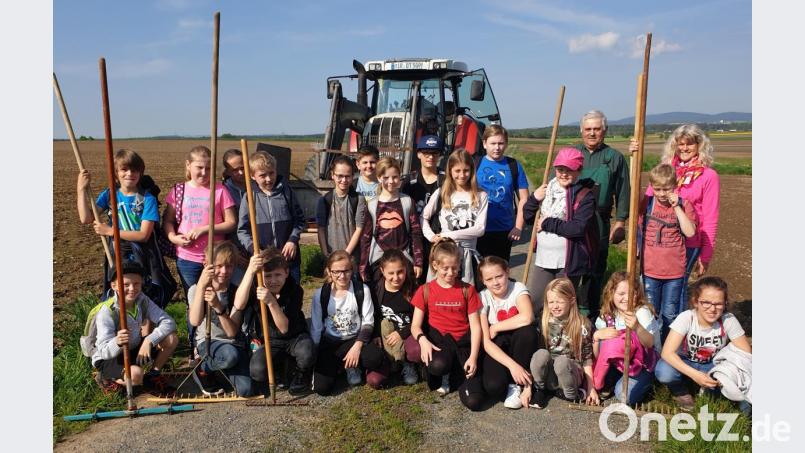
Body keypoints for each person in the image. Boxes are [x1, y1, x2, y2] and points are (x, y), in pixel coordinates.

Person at [631, 124, 721, 311]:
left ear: (699, 146)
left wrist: (706, 255)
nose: (684, 148)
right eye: (680, 144)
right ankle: (652, 336)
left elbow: (711, 218)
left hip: (689, 241)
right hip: (658, 242)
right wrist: (634, 157)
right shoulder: (665, 171)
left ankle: (673, 336)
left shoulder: (708, 176)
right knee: (651, 295)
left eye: (689, 144)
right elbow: (646, 202)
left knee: (675, 295)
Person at [77, 148, 175, 309]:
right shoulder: (110, 195)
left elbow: (144, 235)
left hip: (144, 254)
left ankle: (147, 329)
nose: (130, 173)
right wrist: (81, 189)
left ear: (140, 173)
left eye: (134, 170)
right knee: (121, 290)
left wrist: (110, 231)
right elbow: (86, 218)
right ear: (116, 173)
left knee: (147, 292)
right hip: (118, 252)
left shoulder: (147, 198)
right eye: (124, 169)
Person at [163, 145, 237, 355]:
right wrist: (174, 237)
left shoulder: (220, 190)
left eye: (208, 168)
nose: (204, 173)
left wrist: (205, 229)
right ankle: (196, 346)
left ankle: (220, 338)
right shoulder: (179, 191)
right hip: (187, 258)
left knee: (217, 298)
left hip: (216, 258)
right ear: (188, 165)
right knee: (193, 302)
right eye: (199, 168)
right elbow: (167, 222)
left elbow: (231, 222)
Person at [655, 276, 751, 412]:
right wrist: (695, 375)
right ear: (696, 302)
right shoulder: (687, 317)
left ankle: (708, 391)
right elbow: (667, 352)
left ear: (725, 304)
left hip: (712, 366)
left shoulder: (728, 320)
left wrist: (727, 371)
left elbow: (745, 353)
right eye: (706, 302)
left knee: (716, 394)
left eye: (718, 304)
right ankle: (680, 390)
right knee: (664, 371)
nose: (712, 309)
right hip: (686, 361)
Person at [409, 239, 484, 411]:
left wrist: (473, 357)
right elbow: (415, 326)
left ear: (460, 265)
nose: (451, 273)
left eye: (455, 268)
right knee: (438, 365)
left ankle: (458, 376)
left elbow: (475, 326)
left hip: (463, 344)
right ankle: (445, 374)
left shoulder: (467, 290)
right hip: (440, 342)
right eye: (445, 268)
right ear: (435, 265)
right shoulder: (425, 290)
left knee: (474, 402)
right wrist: (423, 341)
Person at [523, 147, 599, 313]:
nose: (564, 174)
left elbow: (577, 228)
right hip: (544, 258)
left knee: (562, 306)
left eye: (569, 170)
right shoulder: (547, 190)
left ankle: (565, 337)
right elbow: (529, 218)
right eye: (560, 169)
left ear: (578, 171)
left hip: (568, 262)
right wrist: (534, 198)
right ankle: (540, 334)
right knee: (535, 301)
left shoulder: (584, 196)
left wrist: (548, 223)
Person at [233, 247, 315, 396]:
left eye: (278, 275)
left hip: (294, 337)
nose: (273, 281)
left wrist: (271, 302)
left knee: (307, 353)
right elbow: (238, 305)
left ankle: (301, 373)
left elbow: (284, 328)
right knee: (257, 371)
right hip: (269, 341)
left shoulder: (295, 290)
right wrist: (250, 271)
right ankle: (279, 368)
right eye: (268, 276)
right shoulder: (257, 285)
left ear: (286, 273)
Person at [575, 110, 631, 319]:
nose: (592, 133)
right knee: (571, 267)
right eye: (588, 129)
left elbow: (624, 192)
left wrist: (620, 222)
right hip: (572, 220)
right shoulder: (572, 154)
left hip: (599, 221)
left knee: (596, 267)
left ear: (604, 131)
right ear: (581, 131)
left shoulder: (614, 158)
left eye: (596, 129)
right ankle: (568, 311)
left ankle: (591, 312)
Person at [92, 260, 178, 393]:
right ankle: (105, 378)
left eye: (136, 283)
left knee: (171, 339)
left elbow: (169, 322)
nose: (132, 289)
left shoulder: (142, 300)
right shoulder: (107, 311)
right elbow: (103, 351)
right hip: (110, 357)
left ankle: (152, 376)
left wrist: (149, 340)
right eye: (125, 284)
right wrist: (117, 342)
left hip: (133, 348)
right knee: (136, 376)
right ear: (114, 285)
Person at [311, 250, 387, 394]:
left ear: (352, 270)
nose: (342, 276)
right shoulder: (321, 294)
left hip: (354, 339)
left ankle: (352, 365)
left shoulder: (362, 290)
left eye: (346, 271)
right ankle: (341, 365)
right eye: (336, 272)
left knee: (374, 358)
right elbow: (316, 327)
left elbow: (368, 321)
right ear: (329, 271)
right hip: (331, 342)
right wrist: (315, 354)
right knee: (322, 388)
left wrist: (357, 346)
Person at [639, 164, 697, 341]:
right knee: (650, 314)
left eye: (666, 189)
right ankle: (652, 350)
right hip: (650, 270)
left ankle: (667, 349)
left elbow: (690, 232)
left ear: (675, 186)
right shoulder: (648, 204)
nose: (662, 193)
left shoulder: (684, 204)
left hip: (674, 272)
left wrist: (677, 207)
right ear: (651, 187)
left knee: (670, 315)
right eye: (657, 189)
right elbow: (633, 212)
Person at [188, 241, 253, 396]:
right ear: (206, 264)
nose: (224, 271)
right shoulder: (196, 289)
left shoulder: (236, 291)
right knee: (230, 356)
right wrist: (202, 288)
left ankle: (220, 371)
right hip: (208, 343)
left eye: (229, 266)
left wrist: (217, 306)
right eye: (218, 266)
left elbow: (231, 332)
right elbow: (195, 321)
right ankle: (202, 368)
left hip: (232, 343)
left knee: (246, 390)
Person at [522, 277, 598, 409]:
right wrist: (527, 387)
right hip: (549, 374)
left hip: (569, 372)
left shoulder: (583, 324)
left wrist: (591, 387)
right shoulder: (544, 320)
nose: (555, 306)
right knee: (540, 354)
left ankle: (571, 394)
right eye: (551, 302)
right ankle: (540, 390)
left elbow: (586, 359)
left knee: (561, 362)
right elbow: (535, 357)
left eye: (560, 302)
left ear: (572, 300)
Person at [477, 256, 539, 409]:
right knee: (494, 387)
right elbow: (486, 342)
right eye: (489, 279)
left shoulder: (518, 288)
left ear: (507, 272)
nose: (496, 282)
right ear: (483, 281)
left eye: (499, 276)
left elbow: (527, 317)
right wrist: (513, 366)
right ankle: (514, 374)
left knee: (528, 332)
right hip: (497, 345)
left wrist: (496, 327)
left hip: (520, 341)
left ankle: (516, 384)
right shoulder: (482, 297)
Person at [236, 151, 305, 285]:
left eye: (271, 173)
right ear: (252, 176)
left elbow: (300, 220)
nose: (268, 179)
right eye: (263, 175)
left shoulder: (287, 192)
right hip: (264, 262)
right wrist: (253, 249)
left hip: (288, 260)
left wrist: (293, 240)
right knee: (266, 298)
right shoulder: (249, 197)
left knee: (293, 295)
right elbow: (242, 230)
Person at [422, 149, 488, 287]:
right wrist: (431, 236)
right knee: (439, 292)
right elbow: (423, 217)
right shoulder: (442, 192)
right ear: (450, 171)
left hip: (467, 255)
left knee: (463, 294)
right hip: (444, 254)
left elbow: (480, 229)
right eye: (457, 171)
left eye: (466, 170)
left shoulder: (481, 195)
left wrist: (449, 234)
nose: (462, 175)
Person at [592, 272, 659, 405]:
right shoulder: (607, 317)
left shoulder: (641, 312)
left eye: (631, 293)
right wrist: (596, 336)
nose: (626, 298)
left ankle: (649, 382)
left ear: (637, 294)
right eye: (621, 294)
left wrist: (637, 327)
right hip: (620, 364)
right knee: (604, 339)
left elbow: (649, 343)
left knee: (623, 396)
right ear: (611, 294)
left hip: (644, 364)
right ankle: (612, 380)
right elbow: (598, 355)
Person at [359, 156, 424, 286]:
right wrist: (362, 266)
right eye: (386, 177)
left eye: (395, 177)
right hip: (379, 261)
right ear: (378, 178)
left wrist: (418, 261)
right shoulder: (372, 205)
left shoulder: (407, 202)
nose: (391, 181)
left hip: (404, 260)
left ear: (400, 177)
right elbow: (366, 238)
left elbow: (416, 233)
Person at [474, 125, 530, 261]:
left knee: (500, 273)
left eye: (501, 143)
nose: (497, 147)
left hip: (504, 230)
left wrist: (518, 227)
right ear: (484, 144)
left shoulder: (514, 165)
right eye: (493, 143)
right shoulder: (475, 163)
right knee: (478, 273)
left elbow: (524, 199)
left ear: (506, 144)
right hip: (477, 228)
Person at [373, 249, 421, 385]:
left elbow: (420, 319)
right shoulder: (376, 290)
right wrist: (376, 335)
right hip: (386, 334)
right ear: (382, 271)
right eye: (391, 273)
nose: (396, 277)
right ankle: (390, 363)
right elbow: (374, 316)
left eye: (400, 272)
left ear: (406, 269)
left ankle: (408, 364)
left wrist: (401, 333)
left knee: (415, 351)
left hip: (408, 331)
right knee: (374, 380)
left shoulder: (413, 289)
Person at [402, 134, 446, 283]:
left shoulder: (446, 180)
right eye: (426, 152)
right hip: (416, 239)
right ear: (419, 154)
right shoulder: (409, 181)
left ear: (440, 155)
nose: (430, 157)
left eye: (434, 153)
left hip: (439, 238)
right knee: (417, 279)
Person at [315, 154, 366, 264]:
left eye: (347, 176)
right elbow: (321, 229)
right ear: (332, 175)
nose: (344, 180)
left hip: (352, 257)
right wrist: (325, 253)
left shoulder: (359, 199)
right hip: (331, 256)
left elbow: (359, 229)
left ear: (353, 176)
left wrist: (346, 254)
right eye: (340, 176)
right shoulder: (324, 200)